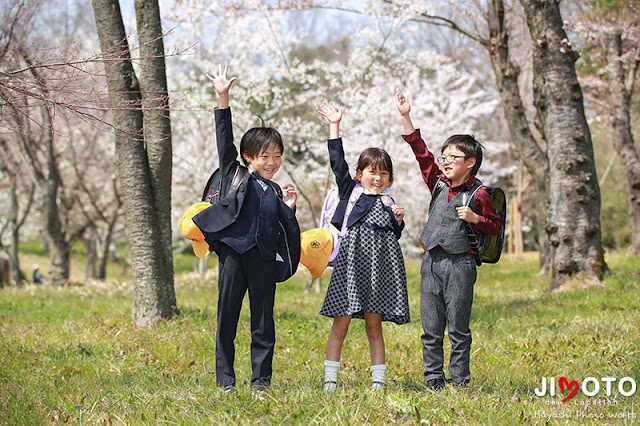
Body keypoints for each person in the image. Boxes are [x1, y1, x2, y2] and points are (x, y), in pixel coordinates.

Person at [192, 65, 300, 393]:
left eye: (277, 156)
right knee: (227, 320)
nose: (272, 162)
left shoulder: (277, 191)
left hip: (264, 260)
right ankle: (226, 381)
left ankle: (261, 382)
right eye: (265, 156)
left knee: (264, 324)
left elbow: (284, 227)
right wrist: (222, 97)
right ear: (248, 156)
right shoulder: (234, 175)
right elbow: (224, 139)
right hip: (234, 255)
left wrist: (290, 210)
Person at [395, 88, 501, 389]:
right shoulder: (438, 184)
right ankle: (433, 380)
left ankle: (460, 381)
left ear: (470, 162)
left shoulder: (478, 194)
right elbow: (421, 153)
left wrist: (476, 218)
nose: (446, 161)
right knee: (430, 327)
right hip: (431, 261)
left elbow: (494, 226)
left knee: (458, 327)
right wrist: (406, 117)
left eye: (453, 157)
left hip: (461, 265)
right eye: (445, 156)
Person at [317, 102, 410, 392]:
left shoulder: (390, 201)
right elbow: (337, 161)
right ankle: (330, 380)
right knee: (340, 325)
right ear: (359, 173)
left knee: (374, 326)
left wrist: (399, 221)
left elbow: (395, 237)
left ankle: (378, 384)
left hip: (379, 272)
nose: (378, 178)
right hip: (351, 268)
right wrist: (335, 125)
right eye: (372, 172)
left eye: (384, 174)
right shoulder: (351, 192)